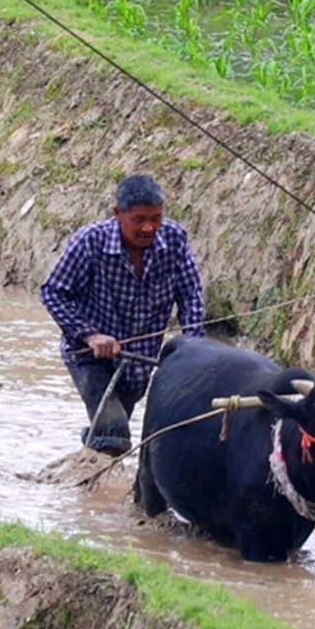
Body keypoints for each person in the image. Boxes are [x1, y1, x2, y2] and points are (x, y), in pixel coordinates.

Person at [39, 173, 206, 455]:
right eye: (138, 219)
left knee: (109, 433)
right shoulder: (90, 242)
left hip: (139, 363)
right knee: (114, 433)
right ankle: (98, 472)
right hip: (90, 357)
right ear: (117, 214)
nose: (148, 228)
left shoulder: (174, 239)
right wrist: (90, 335)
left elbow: (190, 296)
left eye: (156, 218)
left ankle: (85, 467)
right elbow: (52, 292)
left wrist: (194, 349)